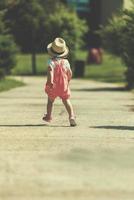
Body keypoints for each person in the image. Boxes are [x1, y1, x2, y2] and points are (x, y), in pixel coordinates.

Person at [42, 37, 76, 127]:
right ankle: (71, 116)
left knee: (50, 101)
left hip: (54, 85)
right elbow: (70, 73)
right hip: (63, 85)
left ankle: (48, 116)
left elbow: (50, 71)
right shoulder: (66, 62)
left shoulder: (51, 62)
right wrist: (68, 80)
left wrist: (50, 81)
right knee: (66, 100)